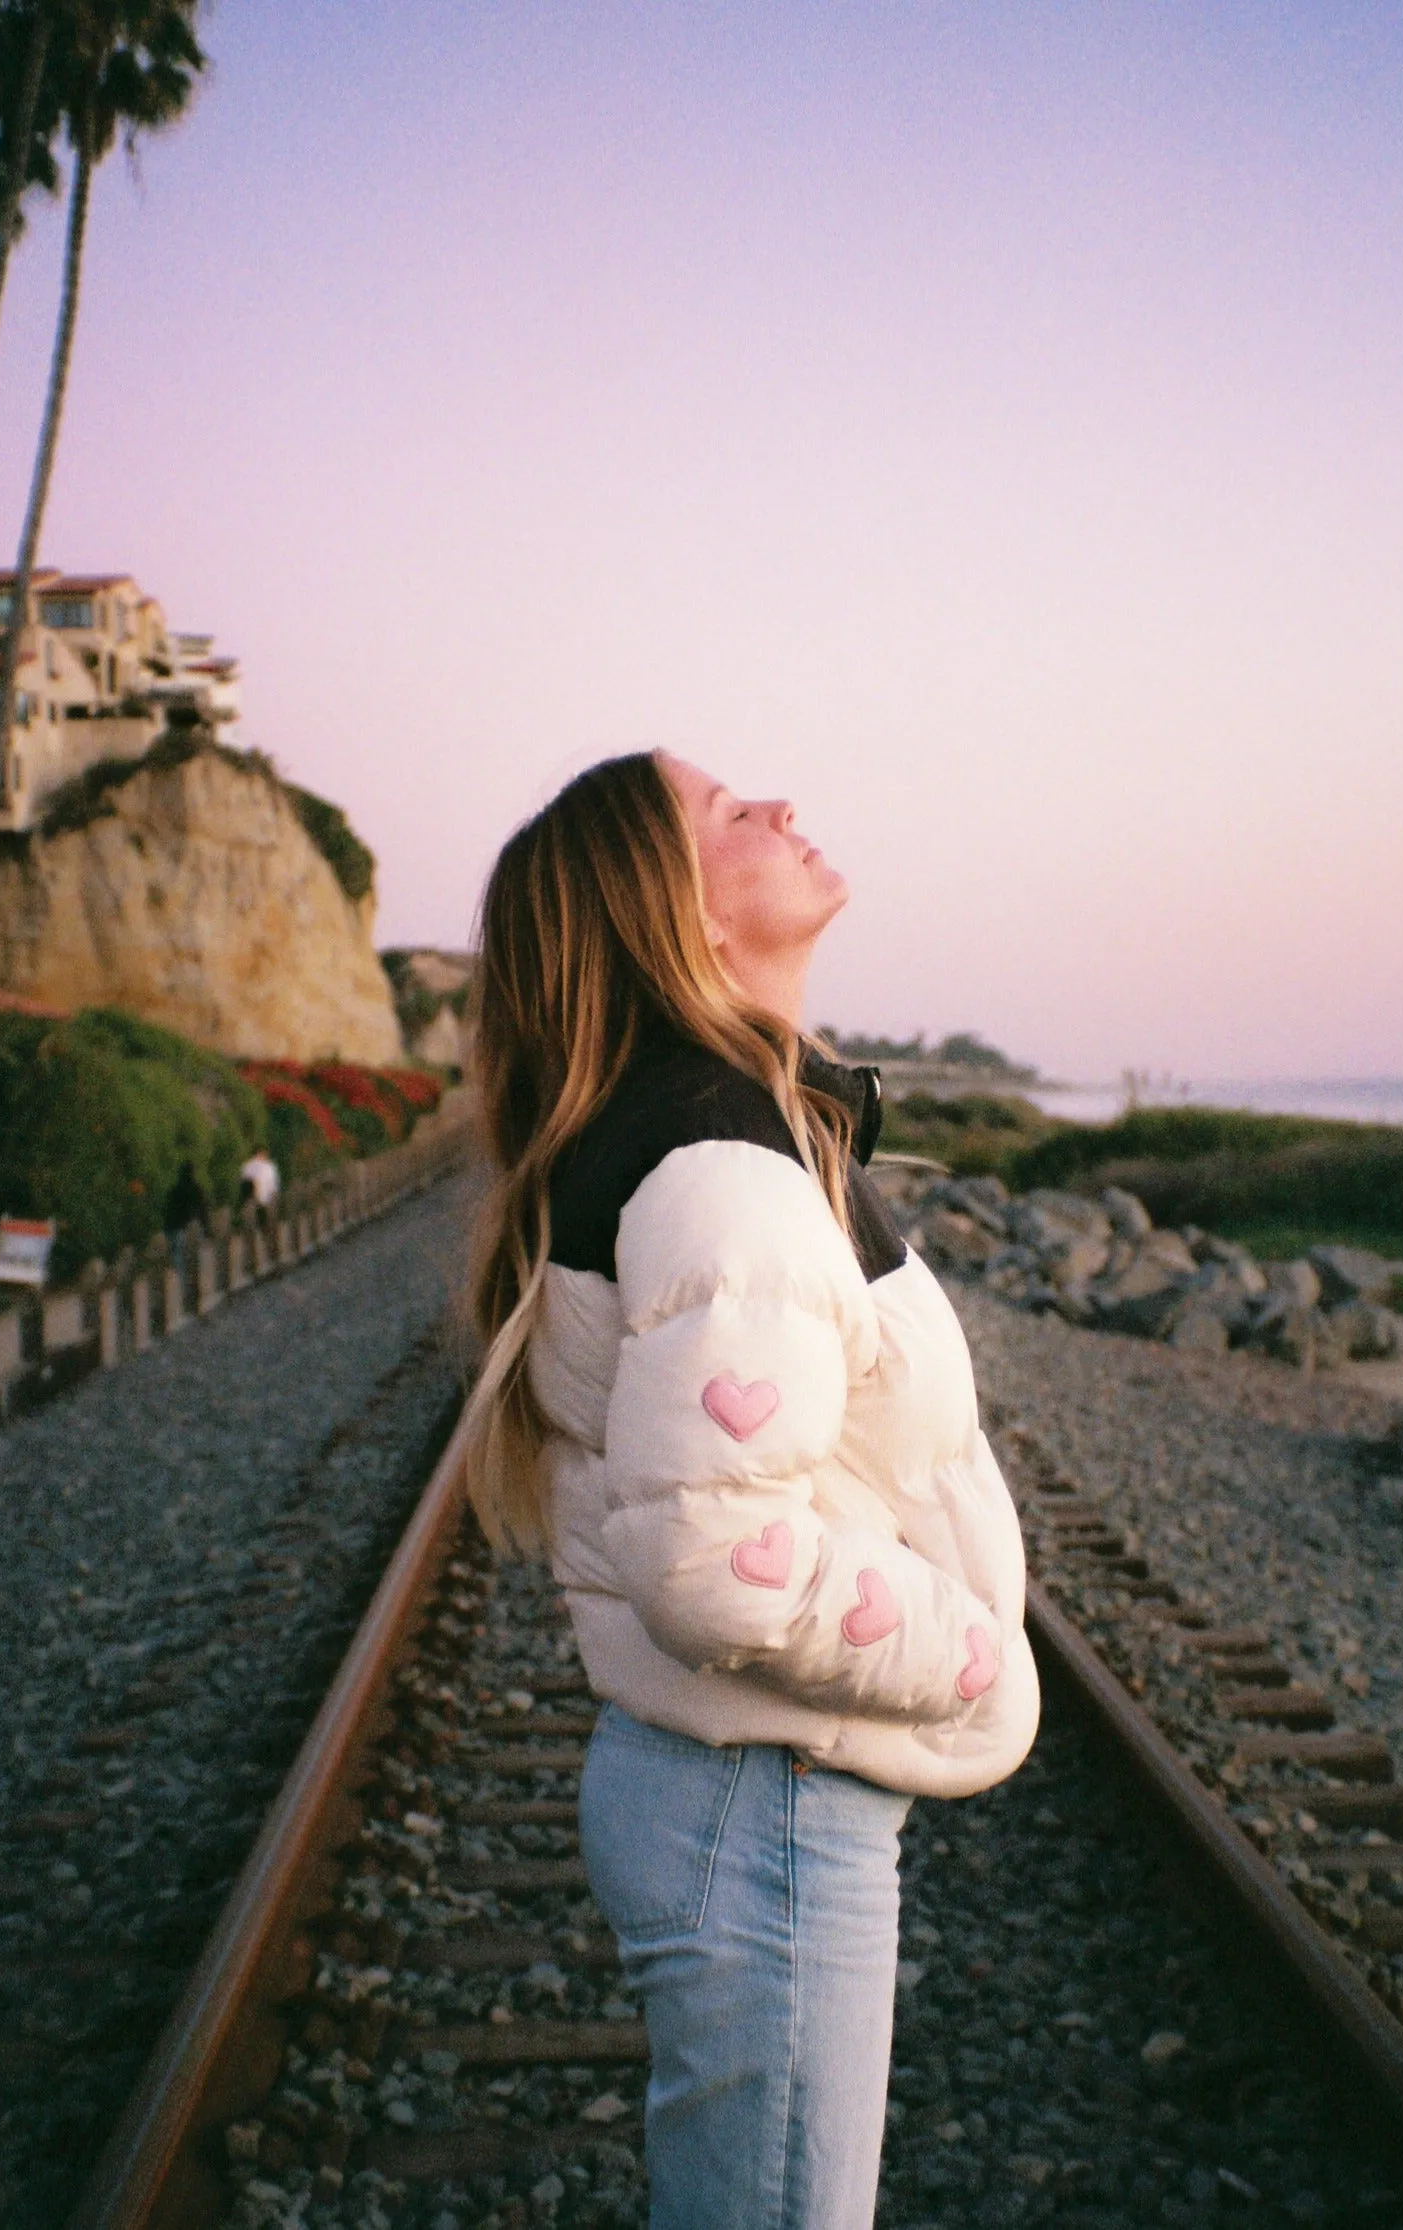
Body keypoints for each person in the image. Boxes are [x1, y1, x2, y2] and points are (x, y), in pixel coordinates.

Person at [462, 751, 1038, 2229]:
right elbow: (720, 1559)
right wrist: (973, 1656)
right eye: (726, 812)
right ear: (680, 919)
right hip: (767, 1796)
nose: (776, 802)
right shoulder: (724, 1169)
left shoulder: (739, 1126)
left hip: (744, 1786)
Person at [162, 1158, 206, 1235]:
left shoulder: (174, 1191)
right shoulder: (197, 1191)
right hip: (188, 1229)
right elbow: (202, 1211)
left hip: (176, 1228)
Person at [239, 1145, 281, 1222]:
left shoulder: (269, 1167)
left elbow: (273, 1185)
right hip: (256, 1199)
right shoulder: (249, 1166)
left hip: (265, 1199)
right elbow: (247, 1184)